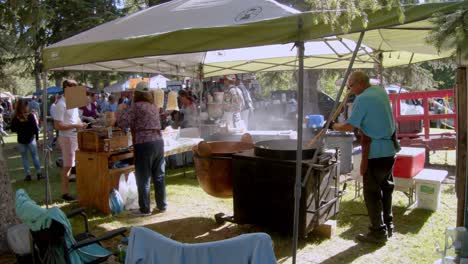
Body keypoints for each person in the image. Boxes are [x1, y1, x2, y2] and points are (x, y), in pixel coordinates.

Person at [332, 71, 399, 244]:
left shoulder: (362, 98)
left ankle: (378, 232)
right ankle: (389, 225)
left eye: (351, 86)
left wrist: (333, 125)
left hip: (375, 152)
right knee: (386, 188)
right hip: (389, 150)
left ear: (360, 83)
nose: (350, 89)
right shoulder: (380, 92)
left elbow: (349, 126)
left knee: (372, 192)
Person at [116, 81, 166, 216]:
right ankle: (162, 205)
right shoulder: (153, 106)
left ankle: (145, 209)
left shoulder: (136, 107)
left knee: (143, 177)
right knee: (159, 175)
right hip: (158, 142)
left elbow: (122, 123)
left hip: (144, 143)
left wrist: (120, 110)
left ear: (136, 94)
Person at [53, 80, 87, 201]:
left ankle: (78, 190)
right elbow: (57, 125)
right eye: (74, 88)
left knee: (74, 165)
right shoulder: (60, 104)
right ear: (67, 88)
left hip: (74, 136)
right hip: (66, 137)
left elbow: (75, 119)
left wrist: (81, 124)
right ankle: (65, 193)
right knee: (67, 166)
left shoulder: (73, 103)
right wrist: (75, 126)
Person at [10, 99, 42, 181]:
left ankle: (28, 174)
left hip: (21, 139)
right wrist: (37, 139)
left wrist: (20, 129)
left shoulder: (16, 117)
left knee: (24, 158)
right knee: (34, 156)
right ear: (26, 106)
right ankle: (39, 173)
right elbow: (35, 129)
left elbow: (13, 129)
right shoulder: (30, 116)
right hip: (30, 139)